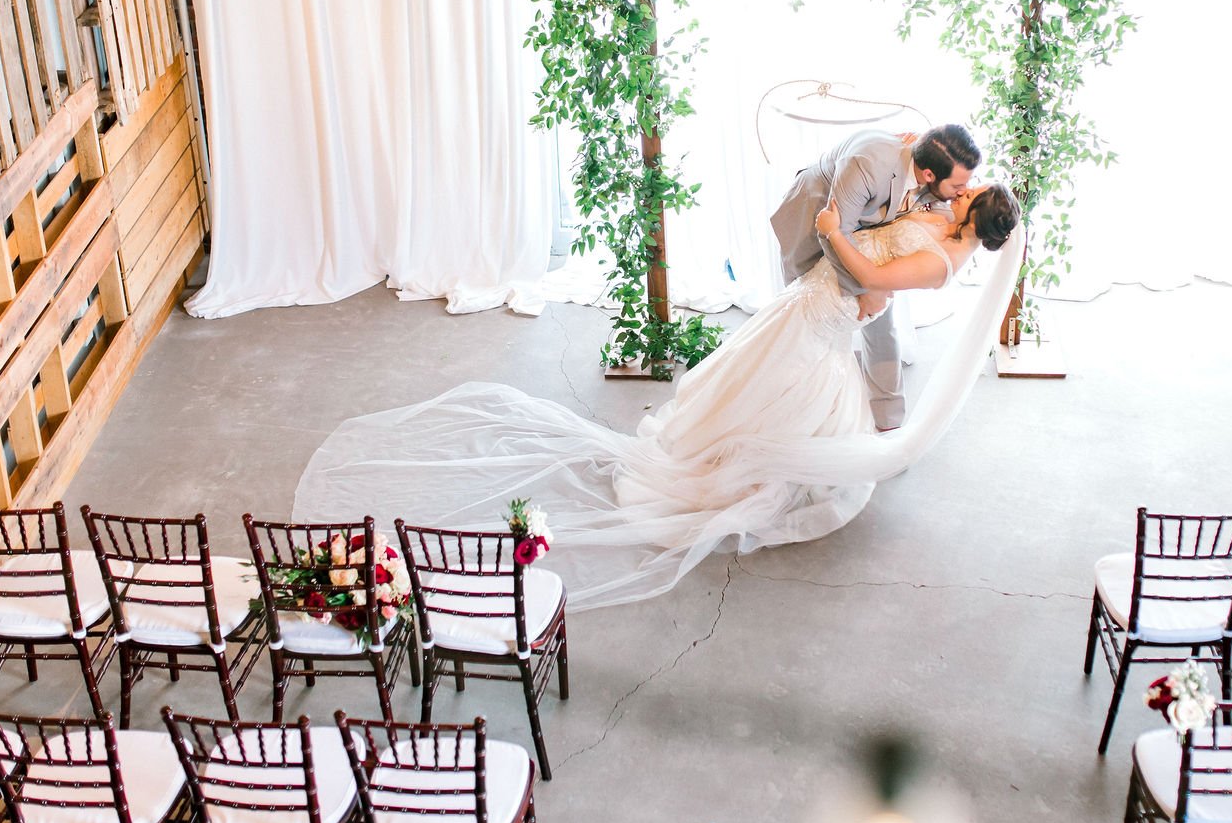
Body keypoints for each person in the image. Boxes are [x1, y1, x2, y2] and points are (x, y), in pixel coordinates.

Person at [292, 181, 1023, 610]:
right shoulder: (945, 225)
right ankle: (725, 456)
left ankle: (727, 477)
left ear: (970, 220)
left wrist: (832, 229)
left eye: (969, 190)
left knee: (783, 407)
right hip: (812, 310)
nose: (960, 187)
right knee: (754, 392)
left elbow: (870, 275)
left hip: (826, 313)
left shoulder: (937, 263)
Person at [770, 125, 981, 429]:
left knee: (882, 322)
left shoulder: (934, 159)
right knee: (808, 317)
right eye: (958, 184)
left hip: (865, 235)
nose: (963, 190)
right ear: (929, 175)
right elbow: (835, 231)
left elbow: (939, 208)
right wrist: (865, 288)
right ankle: (802, 412)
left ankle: (888, 417)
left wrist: (875, 287)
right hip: (816, 218)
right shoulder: (869, 164)